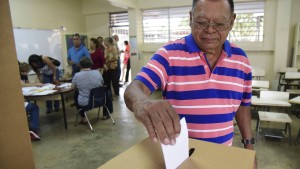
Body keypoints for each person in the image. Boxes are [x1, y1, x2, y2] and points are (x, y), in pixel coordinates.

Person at [124, 0, 256, 167]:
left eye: (220, 23)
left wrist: (249, 146)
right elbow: (134, 89)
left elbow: (243, 107)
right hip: (181, 158)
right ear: (191, 18)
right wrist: (142, 102)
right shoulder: (169, 55)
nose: (210, 30)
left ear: (231, 21)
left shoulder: (241, 60)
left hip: (223, 155)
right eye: (201, 22)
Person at [71, 57, 113, 123]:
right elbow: (102, 84)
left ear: (80, 65)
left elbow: (72, 87)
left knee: (76, 94)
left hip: (86, 103)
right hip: (100, 100)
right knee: (107, 92)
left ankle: (84, 117)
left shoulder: (77, 75)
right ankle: (106, 114)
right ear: (91, 64)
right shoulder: (97, 73)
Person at [18, 62, 41, 141]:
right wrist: (35, 84)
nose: (26, 73)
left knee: (28, 101)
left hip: (25, 94)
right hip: (19, 101)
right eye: (24, 72)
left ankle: (32, 127)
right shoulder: (16, 75)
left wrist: (32, 85)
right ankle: (34, 129)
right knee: (34, 107)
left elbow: (27, 83)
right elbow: (21, 85)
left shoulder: (24, 74)